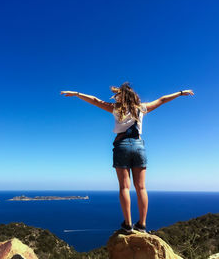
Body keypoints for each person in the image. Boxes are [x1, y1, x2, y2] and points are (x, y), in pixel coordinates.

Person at [61, 82, 194, 234]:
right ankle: (142, 225)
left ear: (121, 96)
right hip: (138, 146)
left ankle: (128, 224)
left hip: (122, 146)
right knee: (141, 187)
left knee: (125, 187)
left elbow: (95, 100)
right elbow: (162, 99)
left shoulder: (116, 108)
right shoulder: (141, 108)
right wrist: (180, 92)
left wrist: (78, 94)